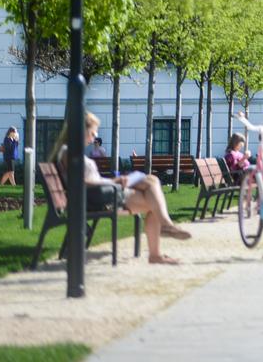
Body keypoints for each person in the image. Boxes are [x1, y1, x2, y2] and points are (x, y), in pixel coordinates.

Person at [58, 111, 190, 264]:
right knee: (153, 197)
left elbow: (89, 180)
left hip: (103, 193)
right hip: (101, 197)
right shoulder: (69, 152)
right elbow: (81, 183)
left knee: (152, 182)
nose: (94, 138)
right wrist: (115, 182)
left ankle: (164, 233)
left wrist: (116, 180)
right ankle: (163, 234)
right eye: (92, 133)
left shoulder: (72, 151)